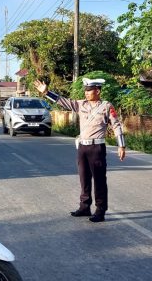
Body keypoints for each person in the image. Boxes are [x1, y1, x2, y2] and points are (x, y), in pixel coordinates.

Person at [35, 77, 126, 223]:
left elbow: (116, 125)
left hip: (97, 147)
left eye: (89, 91)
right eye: (86, 91)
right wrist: (47, 92)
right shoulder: (80, 104)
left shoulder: (106, 106)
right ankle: (84, 207)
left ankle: (100, 210)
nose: (86, 93)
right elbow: (62, 101)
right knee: (84, 179)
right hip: (82, 147)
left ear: (97, 91)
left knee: (99, 180)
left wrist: (121, 145)